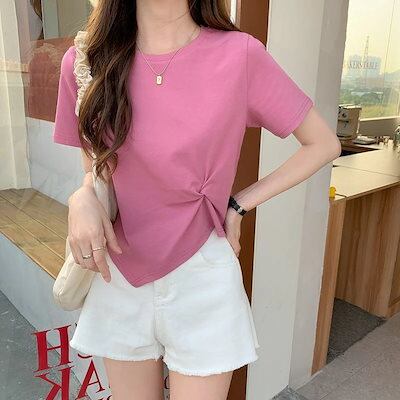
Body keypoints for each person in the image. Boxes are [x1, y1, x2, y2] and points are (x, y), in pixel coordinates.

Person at [52, 0, 341, 399]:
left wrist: (239, 204)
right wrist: (81, 196)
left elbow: (323, 143)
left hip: (202, 273)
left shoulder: (239, 55)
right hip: (117, 272)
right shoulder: (85, 62)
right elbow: (94, 170)